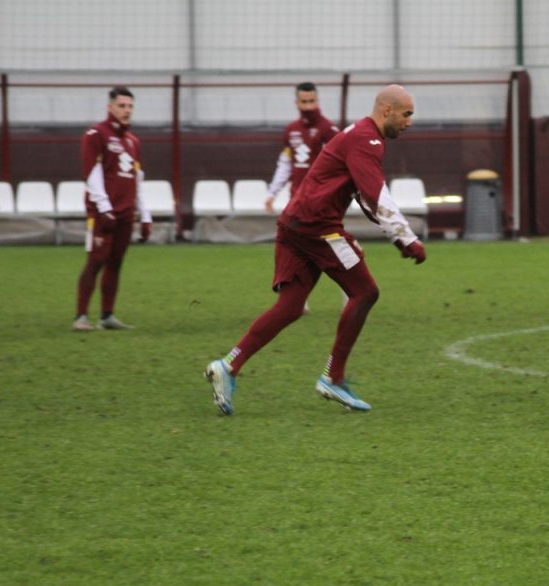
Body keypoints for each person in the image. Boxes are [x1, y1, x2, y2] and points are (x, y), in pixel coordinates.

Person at [205, 84, 426, 415]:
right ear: (386, 111)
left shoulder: (358, 136)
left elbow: (364, 196)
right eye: (406, 114)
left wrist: (397, 237)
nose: (409, 121)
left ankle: (228, 365)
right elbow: (376, 193)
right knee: (365, 292)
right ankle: (333, 378)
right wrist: (407, 237)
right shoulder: (368, 140)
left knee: (291, 306)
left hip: (294, 222)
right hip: (317, 228)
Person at [73, 87, 153, 331]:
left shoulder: (132, 141)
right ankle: (81, 317)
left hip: (126, 212)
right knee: (96, 260)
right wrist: (104, 207)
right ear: (110, 107)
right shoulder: (96, 134)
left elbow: (136, 177)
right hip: (102, 212)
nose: (127, 110)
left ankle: (107, 316)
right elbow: (92, 173)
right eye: (122, 106)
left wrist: (145, 215)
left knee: (116, 262)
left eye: (130, 106)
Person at [263, 82, 340, 213]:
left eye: (312, 101)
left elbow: (338, 166)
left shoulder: (329, 130)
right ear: (297, 103)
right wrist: (272, 193)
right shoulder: (291, 130)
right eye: (304, 102)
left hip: (322, 198)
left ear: (318, 101)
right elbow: (285, 164)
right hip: (297, 196)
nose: (308, 106)